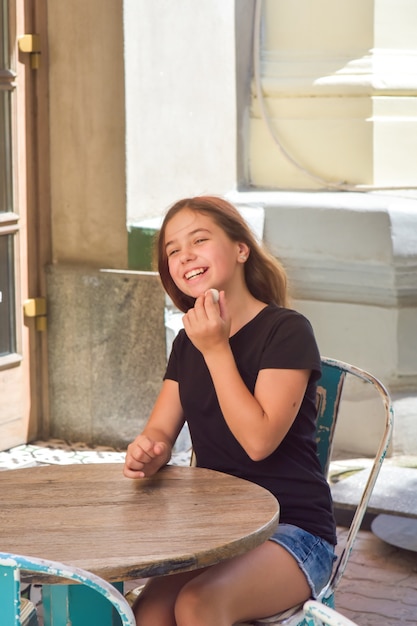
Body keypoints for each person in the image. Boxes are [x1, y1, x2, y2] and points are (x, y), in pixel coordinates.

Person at [123, 195, 337, 626]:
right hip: (219, 529)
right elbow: (160, 433)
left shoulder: (286, 330)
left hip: (293, 529)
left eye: (199, 240)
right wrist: (149, 451)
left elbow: (258, 442)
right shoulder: (188, 343)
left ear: (241, 249)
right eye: (173, 251)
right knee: (149, 612)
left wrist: (216, 347)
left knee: (199, 605)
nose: (185, 256)